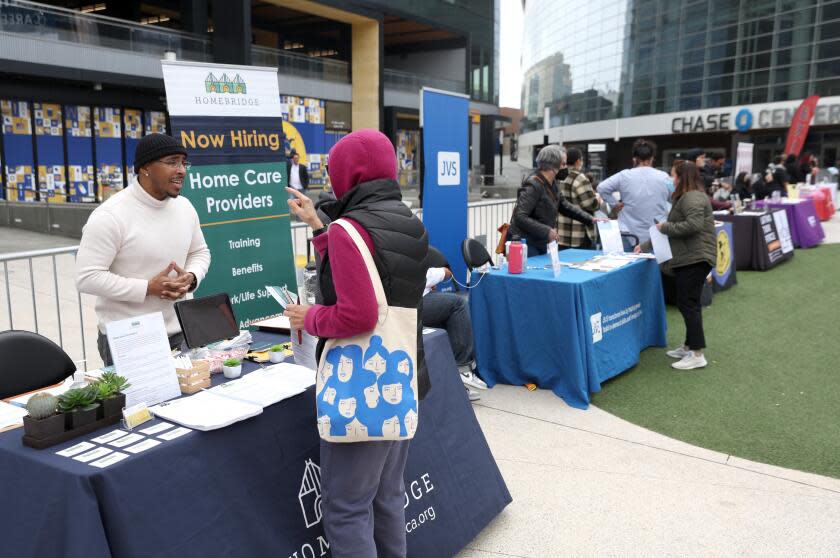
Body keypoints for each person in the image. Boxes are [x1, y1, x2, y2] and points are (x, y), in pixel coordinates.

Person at [283, 129, 428, 558]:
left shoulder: (350, 229)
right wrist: (320, 226)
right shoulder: (408, 220)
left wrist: (307, 317)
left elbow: (359, 314)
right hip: (401, 379)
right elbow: (373, 276)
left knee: (346, 508)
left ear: (349, 173)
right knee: (386, 498)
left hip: (360, 386)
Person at [75, 133, 211, 366]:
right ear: (145, 168)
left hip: (180, 331)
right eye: (172, 162)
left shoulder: (185, 207)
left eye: (183, 162)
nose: (182, 170)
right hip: (129, 338)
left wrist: (191, 278)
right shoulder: (110, 215)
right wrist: (147, 288)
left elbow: (200, 252)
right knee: (142, 405)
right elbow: (87, 278)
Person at [638, 161, 715, 370]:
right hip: (691, 257)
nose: (671, 180)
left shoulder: (693, 197)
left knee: (688, 303)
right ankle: (690, 346)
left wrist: (665, 226)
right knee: (688, 302)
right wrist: (646, 244)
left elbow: (692, 225)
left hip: (695, 258)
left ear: (682, 177)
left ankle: (697, 353)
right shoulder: (689, 197)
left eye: (673, 176)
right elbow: (668, 231)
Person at [510, 145, 596, 256]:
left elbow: (564, 205)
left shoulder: (553, 183)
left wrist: (590, 219)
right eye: (564, 164)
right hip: (525, 243)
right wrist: (547, 231)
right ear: (553, 165)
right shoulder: (533, 184)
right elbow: (520, 216)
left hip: (539, 241)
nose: (566, 168)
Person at [422, 264, 486, 402]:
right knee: (458, 305)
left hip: (409, 297)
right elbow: (417, 274)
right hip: (407, 303)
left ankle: (454, 385)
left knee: (452, 319)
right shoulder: (403, 246)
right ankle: (463, 369)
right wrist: (439, 274)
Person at [597, 139, 670, 243]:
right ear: (652, 158)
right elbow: (676, 196)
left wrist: (615, 204)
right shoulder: (664, 177)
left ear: (634, 159)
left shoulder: (624, 175)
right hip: (657, 233)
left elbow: (601, 188)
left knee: (628, 259)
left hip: (629, 233)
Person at [557, 148, 600, 249]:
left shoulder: (558, 176)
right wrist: (598, 201)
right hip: (579, 235)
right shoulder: (580, 178)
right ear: (578, 161)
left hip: (561, 234)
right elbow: (590, 204)